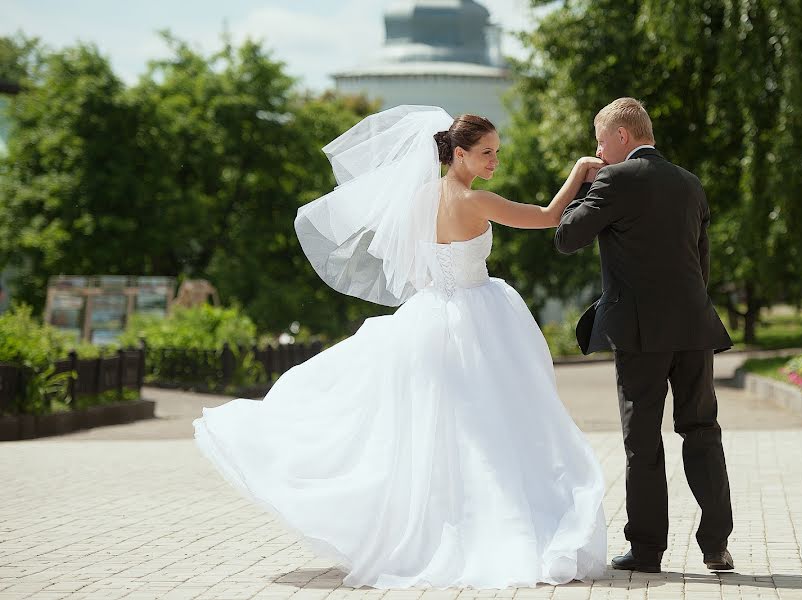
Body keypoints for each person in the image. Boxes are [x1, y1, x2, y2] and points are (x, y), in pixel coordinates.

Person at [193, 106, 608, 589]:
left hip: (428, 318)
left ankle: (441, 524)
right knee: (488, 427)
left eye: (497, 151)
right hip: (478, 315)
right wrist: (580, 171)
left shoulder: (415, 202)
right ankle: (480, 524)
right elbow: (547, 217)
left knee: (442, 430)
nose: (495, 160)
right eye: (487, 153)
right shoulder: (477, 202)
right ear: (458, 154)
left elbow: (414, 272)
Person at [555, 97, 735, 573]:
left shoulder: (613, 179)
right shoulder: (691, 184)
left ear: (620, 136)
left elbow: (567, 236)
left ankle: (648, 550)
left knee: (643, 441)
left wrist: (582, 180)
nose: (598, 153)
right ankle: (716, 544)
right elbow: (702, 263)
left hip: (639, 334)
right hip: (695, 326)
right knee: (702, 431)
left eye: (600, 143)